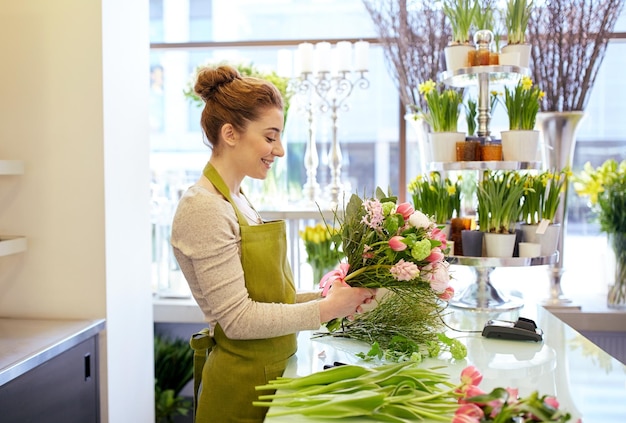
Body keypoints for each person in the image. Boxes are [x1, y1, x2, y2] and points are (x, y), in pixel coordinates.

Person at [170, 65, 376, 423]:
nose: (279, 150)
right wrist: (327, 309)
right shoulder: (203, 208)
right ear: (230, 134)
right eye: (270, 137)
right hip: (240, 390)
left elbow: (267, 301)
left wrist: (336, 297)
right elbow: (238, 319)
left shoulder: (239, 199)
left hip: (271, 376)